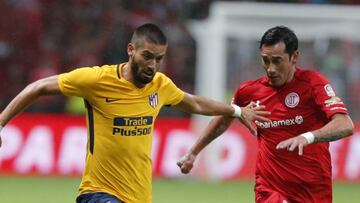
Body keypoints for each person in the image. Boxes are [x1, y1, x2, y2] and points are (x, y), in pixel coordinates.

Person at [0, 23, 269, 203]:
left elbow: (195, 104)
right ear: (131, 50)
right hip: (99, 192)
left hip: (139, 196)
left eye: (159, 58)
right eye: (147, 56)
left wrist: (235, 110)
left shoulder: (161, 85)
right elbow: (37, 87)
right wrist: (1, 122)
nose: (153, 65)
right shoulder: (96, 80)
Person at [177, 26, 354, 203]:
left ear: (294, 57)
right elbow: (225, 117)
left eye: (277, 61)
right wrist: (194, 151)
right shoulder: (249, 91)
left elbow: (345, 124)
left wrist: (307, 137)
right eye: (265, 60)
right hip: (269, 189)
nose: (270, 69)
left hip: (313, 189)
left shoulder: (313, 84)